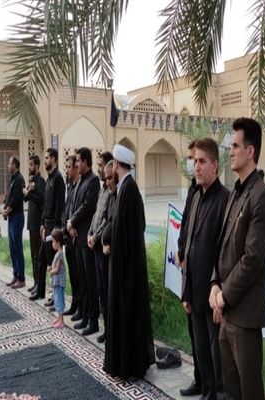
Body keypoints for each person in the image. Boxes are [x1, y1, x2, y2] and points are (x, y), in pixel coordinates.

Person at [209, 117, 265, 400]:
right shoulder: (236, 192)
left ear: (250, 151)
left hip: (245, 314)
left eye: (235, 146)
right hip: (226, 311)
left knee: (249, 392)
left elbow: (253, 258)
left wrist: (225, 295)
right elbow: (222, 246)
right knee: (231, 390)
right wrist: (215, 283)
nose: (230, 151)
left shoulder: (261, 196)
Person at [181, 138, 229, 400]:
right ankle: (207, 394)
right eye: (194, 161)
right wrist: (186, 292)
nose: (196, 167)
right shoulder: (196, 196)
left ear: (215, 165)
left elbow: (224, 252)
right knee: (201, 352)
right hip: (195, 294)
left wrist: (219, 289)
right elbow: (189, 244)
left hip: (213, 297)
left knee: (216, 358)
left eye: (201, 161)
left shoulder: (225, 200)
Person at [103, 144, 155, 380]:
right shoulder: (126, 188)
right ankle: (125, 365)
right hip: (124, 266)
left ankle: (131, 367)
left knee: (129, 317)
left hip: (128, 269)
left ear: (116, 165)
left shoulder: (129, 190)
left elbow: (132, 230)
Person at [176, 140, 203, 396]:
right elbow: (185, 224)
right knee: (193, 331)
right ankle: (199, 377)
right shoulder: (193, 189)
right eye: (191, 159)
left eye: (196, 159)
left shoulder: (207, 193)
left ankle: (207, 381)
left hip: (201, 278)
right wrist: (180, 249)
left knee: (203, 336)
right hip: (188, 270)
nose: (192, 164)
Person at [68, 147, 100, 336]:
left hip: (86, 239)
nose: (77, 163)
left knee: (90, 281)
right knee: (81, 279)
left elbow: (87, 206)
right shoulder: (80, 181)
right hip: (76, 238)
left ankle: (93, 320)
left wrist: (72, 221)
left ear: (86, 162)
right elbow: (74, 206)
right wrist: (70, 224)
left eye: (79, 160)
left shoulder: (93, 181)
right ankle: (85, 314)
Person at [88, 151, 114, 343]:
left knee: (106, 289)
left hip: (102, 247)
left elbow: (106, 220)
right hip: (95, 244)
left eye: (100, 165)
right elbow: (96, 215)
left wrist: (95, 237)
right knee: (100, 289)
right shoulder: (102, 190)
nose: (98, 168)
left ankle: (110, 329)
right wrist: (90, 233)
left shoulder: (112, 192)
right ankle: (106, 327)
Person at [34, 148, 65, 302]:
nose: (45, 160)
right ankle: (40, 291)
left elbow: (59, 206)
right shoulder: (49, 179)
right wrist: (42, 224)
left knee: (53, 261)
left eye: (47, 158)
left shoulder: (58, 179)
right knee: (41, 258)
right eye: (45, 157)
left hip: (53, 226)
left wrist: (55, 231)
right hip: (46, 225)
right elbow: (45, 205)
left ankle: (55, 296)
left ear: (54, 159)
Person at [60, 155, 81, 314]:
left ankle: (80, 307)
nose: (66, 170)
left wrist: (72, 225)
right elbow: (67, 209)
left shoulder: (81, 185)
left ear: (75, 168)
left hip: (76, 236)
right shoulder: (71, 186)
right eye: (66, 167)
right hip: (68, 235)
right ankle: (75, 305)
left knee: (79, 276)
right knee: (73, 275)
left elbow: (81, 210)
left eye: (69, 167)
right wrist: (64, 228)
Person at [24, 155, 46, 297]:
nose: (30, 167)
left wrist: (30, 193)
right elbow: (26, 198)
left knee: (38, 255)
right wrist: (27, 192)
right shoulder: (32, 181)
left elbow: (41, 199)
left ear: (37, 166)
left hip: (38, 223)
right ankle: (35, 282)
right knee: (33, 254)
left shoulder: (41, 181)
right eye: (29, 164)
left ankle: (40, 285)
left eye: (32, 165)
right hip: (31, 223)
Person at [3, 155, 26, 289]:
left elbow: (16, 199)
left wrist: (7, 211)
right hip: (11, 217)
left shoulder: (19, 179)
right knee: (12, 248)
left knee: (17, 248)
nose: (8, 165)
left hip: (17, 217)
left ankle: (21, 278)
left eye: (10, 163)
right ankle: (15, 275)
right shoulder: (12, 179)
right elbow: (8, 197)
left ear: (15, 165)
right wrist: (5, 209)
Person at [49, 228, 67, 329]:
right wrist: (51, 268)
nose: (52, 244)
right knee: (56, 299)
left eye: (53, 242)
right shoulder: (57, 253)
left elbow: (57, 269)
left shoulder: (60, 254)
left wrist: (51, 271)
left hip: (59, 282)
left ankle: (61, 321)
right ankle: (59, 318)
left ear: (58, 243)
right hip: (56, 282)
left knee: (59, 300)